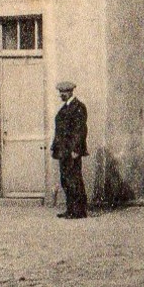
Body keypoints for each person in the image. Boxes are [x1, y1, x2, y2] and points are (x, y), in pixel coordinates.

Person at [52, 80, 89, 219]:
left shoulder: (78, 107)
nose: (61, 95)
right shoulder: (65, 107)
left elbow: (80, 130)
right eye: (60, 92)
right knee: (65, 180)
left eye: (64, 92)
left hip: (72, 151)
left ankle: (79, 211)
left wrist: (76, 149)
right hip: (63, 150)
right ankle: (71, 209)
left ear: (70, 92)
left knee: (74, 179)